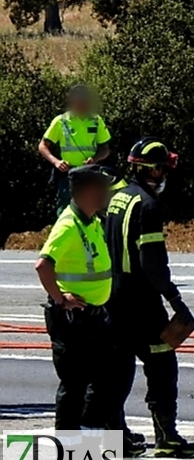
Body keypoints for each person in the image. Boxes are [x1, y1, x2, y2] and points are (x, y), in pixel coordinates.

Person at [104, 137, 194, 458]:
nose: (165, 175)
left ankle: (115, 438)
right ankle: (166, 436)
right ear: (154, 170)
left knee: (118, 372)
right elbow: (152, 263)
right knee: (162, 364)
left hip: (112, 299)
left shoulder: (118, 199)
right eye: (163, 169)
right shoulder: (148, 205)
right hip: (141, 303)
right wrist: (176, 301)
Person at [34, 165, 116, 431]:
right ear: (87, 191)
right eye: (101, 187)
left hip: (94, 316)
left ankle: (88, 438)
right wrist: (60, 299)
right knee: (75, 386)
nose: (106, 193)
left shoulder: (91, 221)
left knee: (103, 380)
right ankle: (69, 453)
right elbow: (43, 264)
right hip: (72, 320)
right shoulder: (69, 225)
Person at [39, 84, 112, 216]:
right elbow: (42, 146)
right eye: (78, 101)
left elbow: (106, 149)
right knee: (65, 209)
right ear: (71, 101)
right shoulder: (61, 121)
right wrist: (56, 162)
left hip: (90, 173)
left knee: (94, 208)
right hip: (68, 174)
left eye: (83, 101)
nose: (81, 104)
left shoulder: (96, 120)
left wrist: (95, 159)